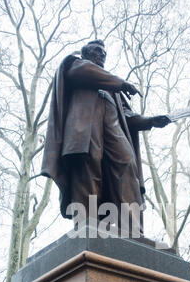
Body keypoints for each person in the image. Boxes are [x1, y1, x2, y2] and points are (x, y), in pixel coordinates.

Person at [42, 39, 171, 234]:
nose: (101, 55)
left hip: (113, 133)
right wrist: (121, 82)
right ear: (85, 53)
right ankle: (88, 227)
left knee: (127, 164)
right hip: (83, 133)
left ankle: (132, 231)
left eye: (104, 53)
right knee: (87, 173)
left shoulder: (113, 90)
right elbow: (84, 71)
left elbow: (128, 116)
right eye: (96, 51)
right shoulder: (75, 65)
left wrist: (150, 121)